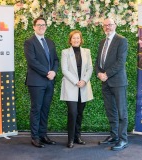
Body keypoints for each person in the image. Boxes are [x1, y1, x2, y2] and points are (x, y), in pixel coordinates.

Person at [24, 17, 59, 148]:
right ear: (34, 27)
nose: (41, 27)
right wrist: (47, 73)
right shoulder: (29, 42)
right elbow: (32, 61)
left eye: (43, 25)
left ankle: (43, 135)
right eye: (38, 25)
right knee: (36, 109)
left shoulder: (50, 42)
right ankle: (35, 137)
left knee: (45, 109)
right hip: (36, 82)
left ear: (46, 26)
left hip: (49, 81)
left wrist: (54, 72)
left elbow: (55, 60)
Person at [95, 18, 128, 151]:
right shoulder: (102, 41)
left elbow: (121, 62)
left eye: (110, 25)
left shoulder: (121, 40)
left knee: (121, 112)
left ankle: (123, 139)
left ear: (115, 25)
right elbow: (98, 61)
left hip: (118, 82)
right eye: (105, 25)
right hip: (105, 82)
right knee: (111, 111)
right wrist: (98, 73)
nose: (107, 27)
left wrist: (106, 74)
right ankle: (114, 136)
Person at [60, 30, 93, 148]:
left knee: (79, 113)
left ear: (81, 39)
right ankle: (70, 139)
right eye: (74, 38)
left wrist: (84, 81)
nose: (76, 40)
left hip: (83, 86)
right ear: (70, 40)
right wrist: (76, 81)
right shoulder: (65, 52)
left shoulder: (86, 52)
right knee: (72, 112)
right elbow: (64, 70)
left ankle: (77, 137)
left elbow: (90, 68)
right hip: (71, 86)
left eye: (78, 38)